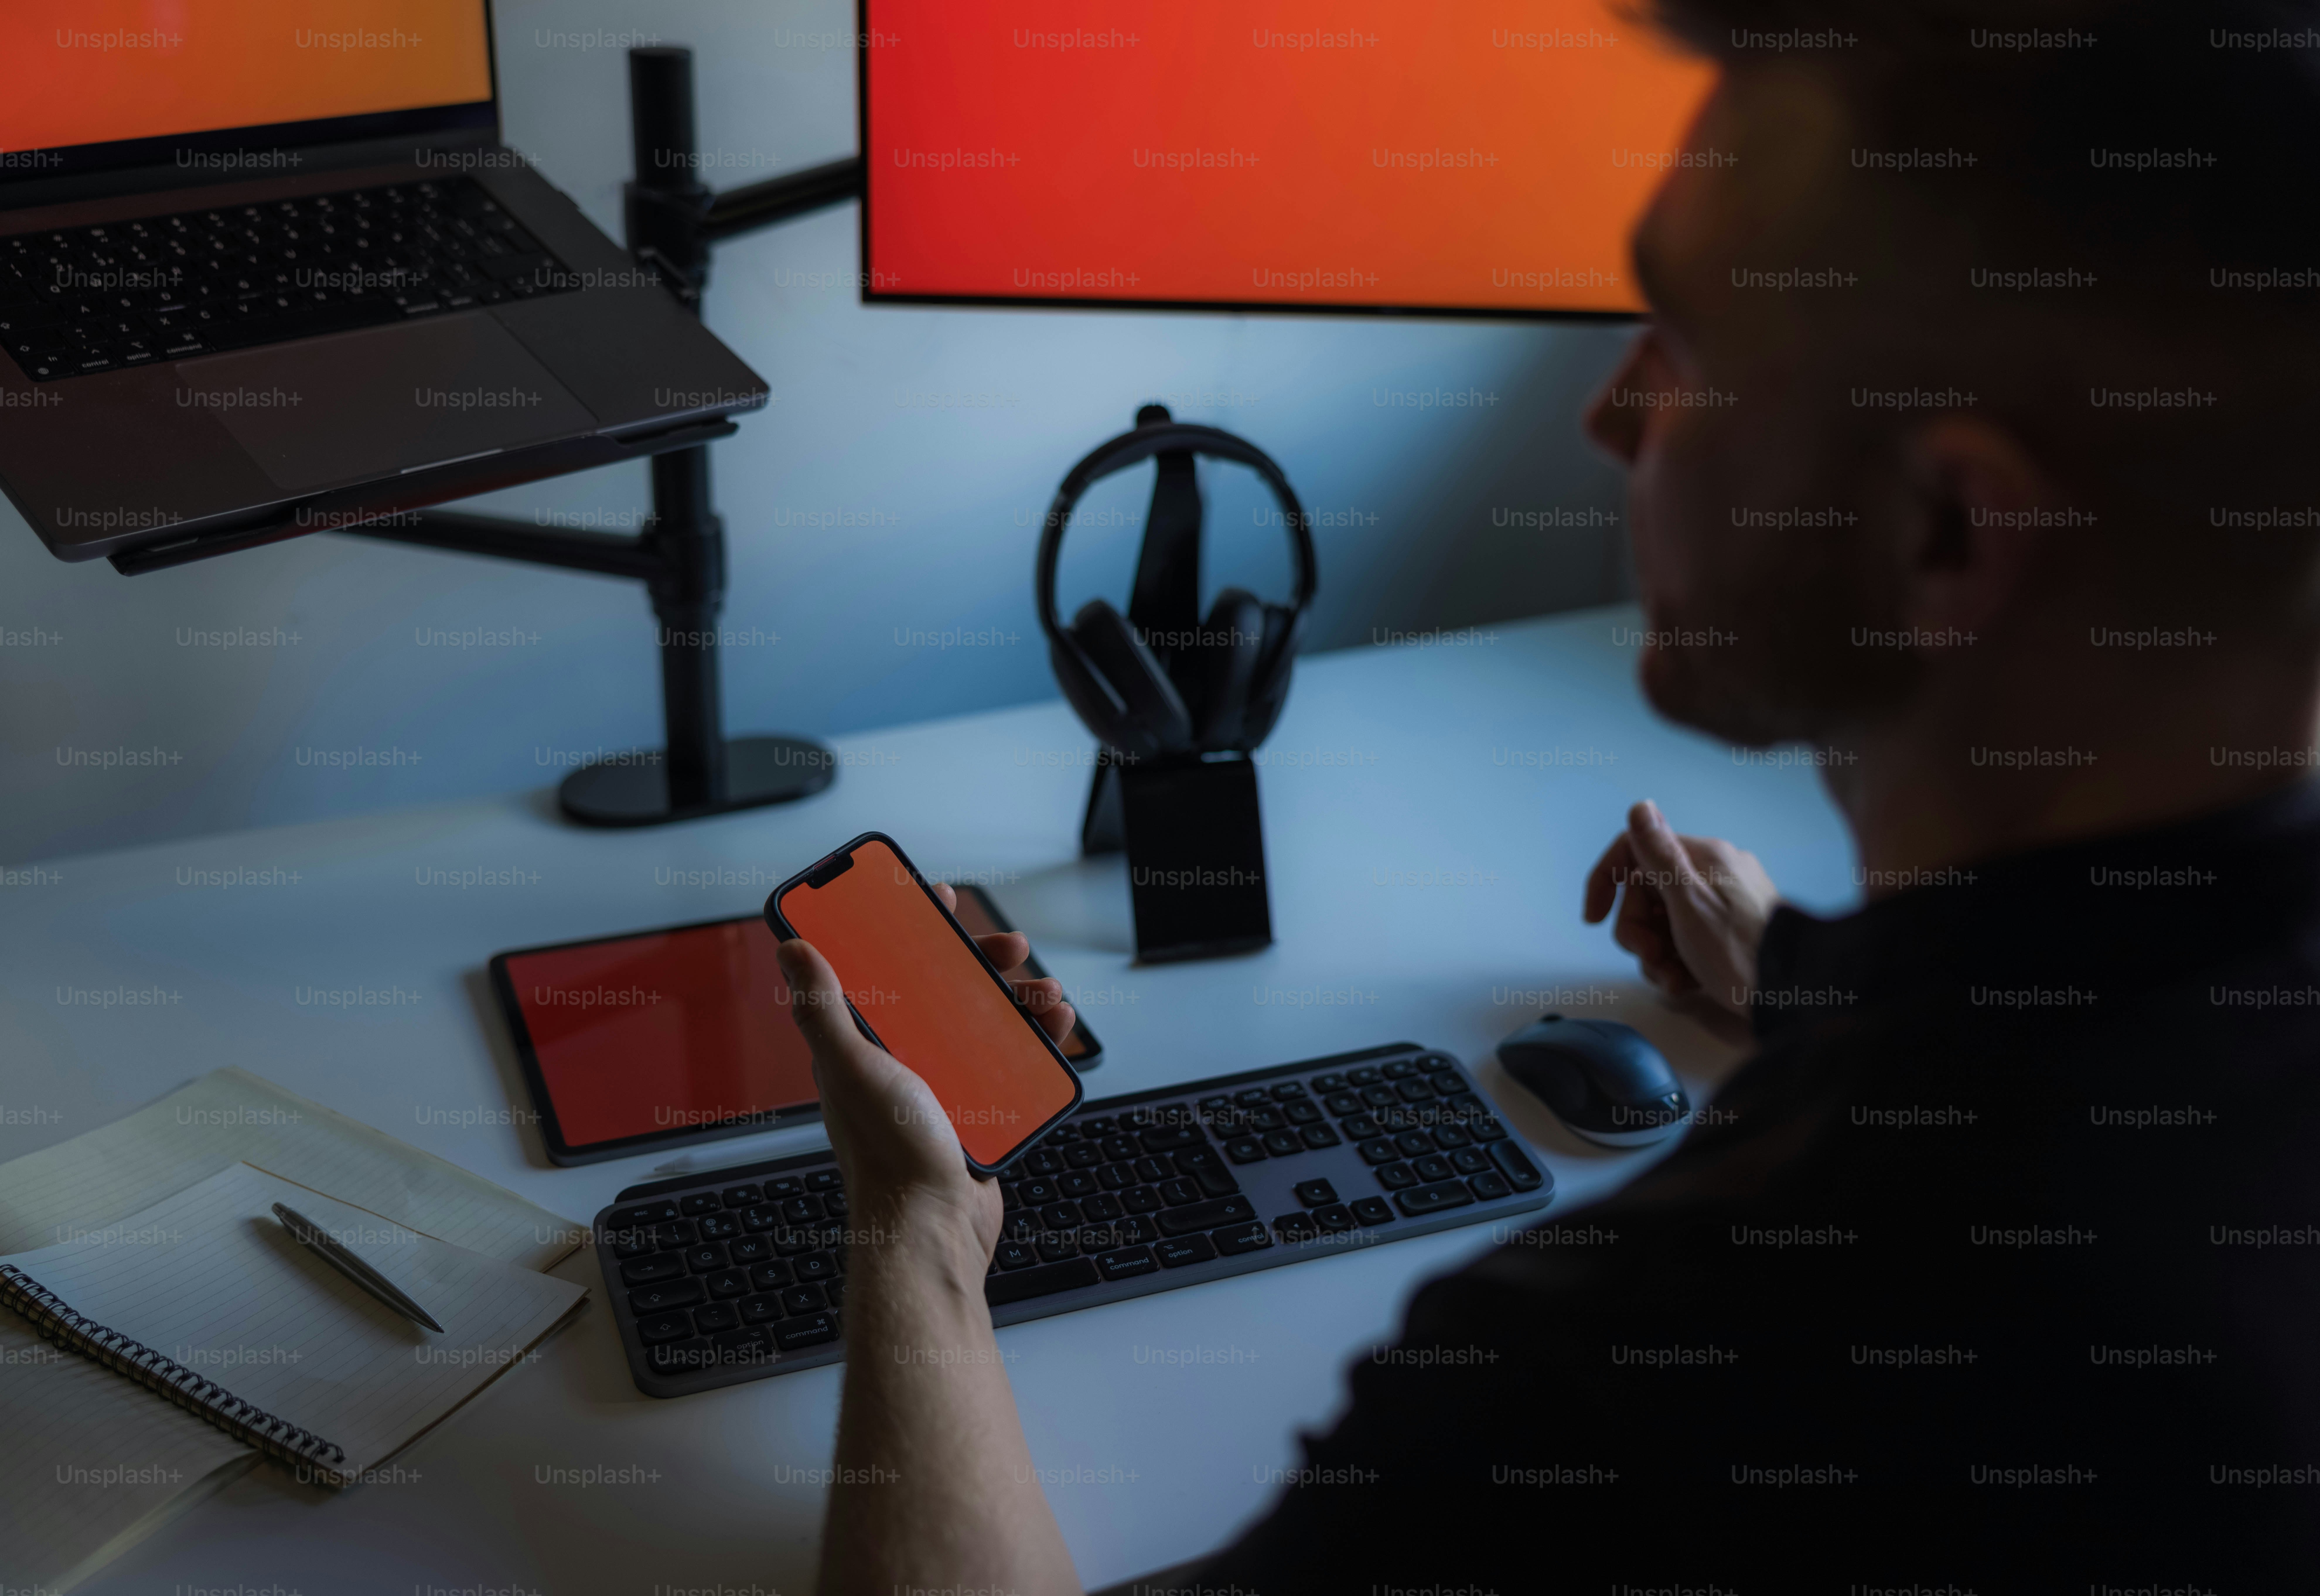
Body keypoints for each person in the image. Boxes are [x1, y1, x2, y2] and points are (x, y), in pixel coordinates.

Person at [776, 0, 2320, 1588]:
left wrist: (915, 1237)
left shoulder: (1648, 1373)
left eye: (1688, 344)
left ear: (1944, 532)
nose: (1608, 415)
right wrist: (1805, 980)